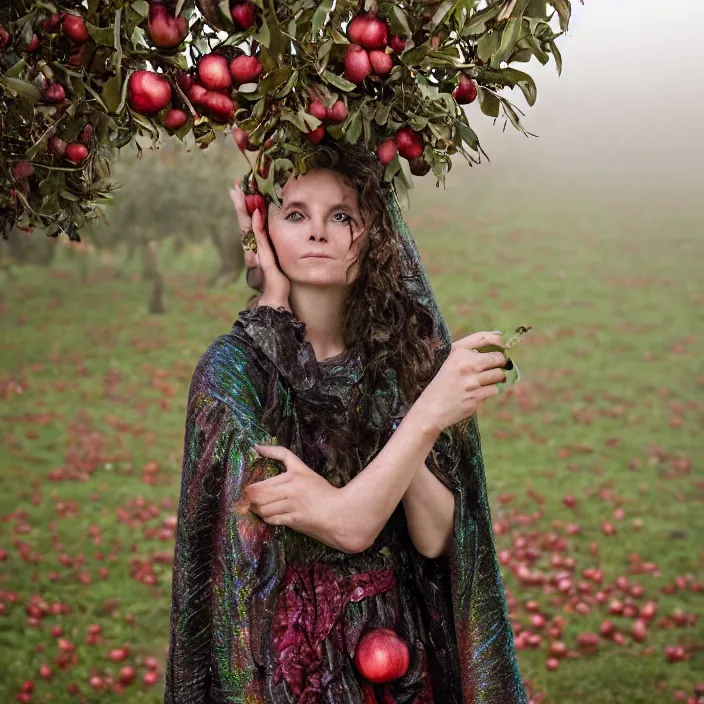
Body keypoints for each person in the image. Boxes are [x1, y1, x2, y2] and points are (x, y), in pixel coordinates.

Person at [164, 142, 527, 703]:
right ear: (265, 234)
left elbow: (433, 537)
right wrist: (428, 414)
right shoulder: (233, 374)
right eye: (294, 214)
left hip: (399, 660)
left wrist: (411, 422)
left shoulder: (390, 362)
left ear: (375, 235)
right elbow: (349, 527)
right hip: (290, 668)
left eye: (341, 216)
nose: (317, 233)